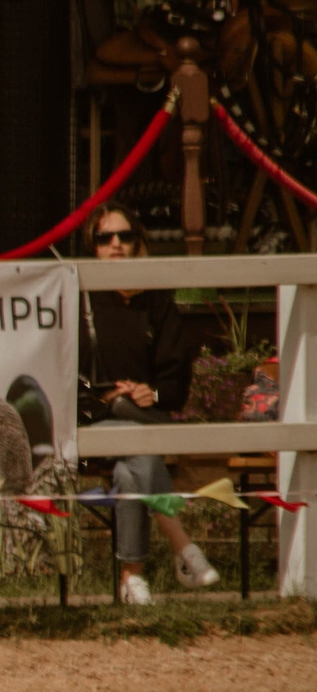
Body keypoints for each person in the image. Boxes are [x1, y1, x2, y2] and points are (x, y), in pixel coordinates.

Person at [78, 206, 219, 603]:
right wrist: (106, 396)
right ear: (93, 247)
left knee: (131, 467)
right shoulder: (79, 300)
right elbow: (62, 377)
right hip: (95, 421)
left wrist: (150, 393)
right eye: (105, 238)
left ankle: (132, 578)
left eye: (124, 237)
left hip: (143, 419)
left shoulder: (157, 302)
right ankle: (183, 548)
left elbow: (176, 386)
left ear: (139, 243)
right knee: (135, 439)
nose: (116, 245)